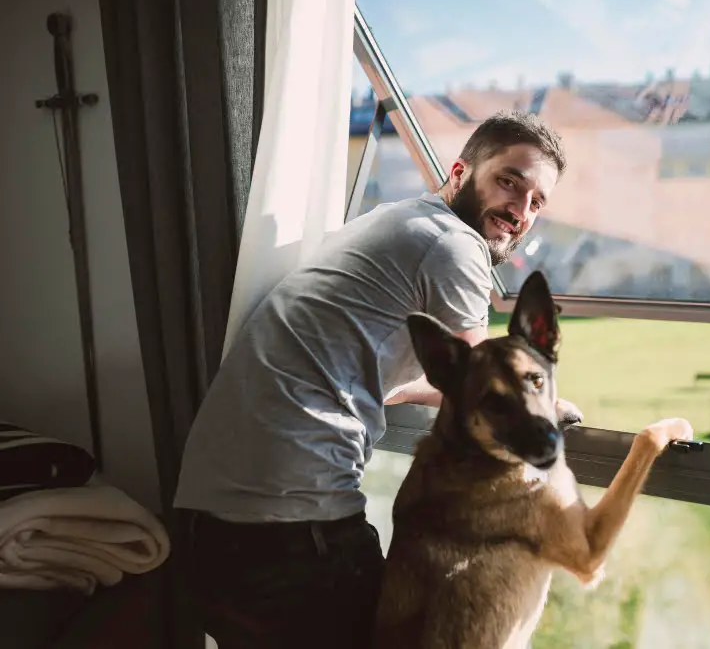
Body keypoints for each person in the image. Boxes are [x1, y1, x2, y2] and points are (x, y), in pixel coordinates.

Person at [173, 110, 578, 648]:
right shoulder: (454, 245)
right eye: (509, 182)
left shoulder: (396, 220)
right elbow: (485, 385)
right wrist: (549, 404)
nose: (520, 211)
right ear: (459, 173)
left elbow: (375, 372)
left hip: (206, 529)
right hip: (291, 532)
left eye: (537, 201)